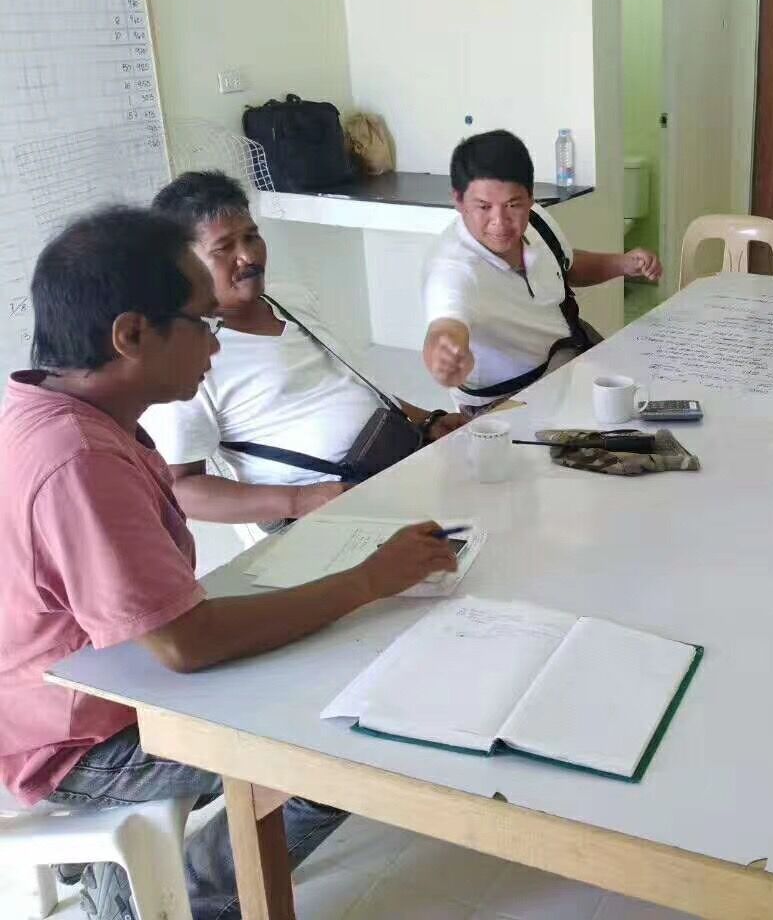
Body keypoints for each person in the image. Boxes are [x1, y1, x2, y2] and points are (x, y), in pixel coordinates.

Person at [0, 206, 456, 920]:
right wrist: (368, 580)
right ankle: (167, 900)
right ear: (131, 335)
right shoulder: (79, 458)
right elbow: (187, 644)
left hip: (103, 681)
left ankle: (132, 883)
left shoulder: (61, 411)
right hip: (76, 739)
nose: (216, 344)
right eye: (202, 323)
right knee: (337, 741)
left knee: (324, 653)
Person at [141, 171, 467, 529]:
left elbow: (351, 384)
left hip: (394, 466)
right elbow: (179, 489)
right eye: (224, 248)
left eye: (252, 236)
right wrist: (299, 501)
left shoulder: (289, 299)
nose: (247, 255)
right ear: (182, 265)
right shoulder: (182, 357)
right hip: (326, 520)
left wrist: (428, 421)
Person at [423, 130, 662, 411]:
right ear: (459, 200)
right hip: (508, 399)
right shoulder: (451, 268)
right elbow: (446, 325)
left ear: (530, 197)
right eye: (484, 207)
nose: (500, 221)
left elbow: (565, 265)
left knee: (645, 398)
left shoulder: (536, 220)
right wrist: (444, 353)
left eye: (513, 204)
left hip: (570, 353)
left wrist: (623, 264)